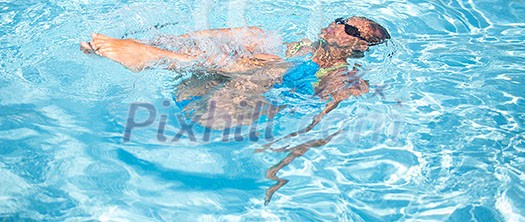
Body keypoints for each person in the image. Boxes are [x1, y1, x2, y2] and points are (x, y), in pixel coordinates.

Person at [81, 16, 390, 204]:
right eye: (340, 19)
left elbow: (319, 128)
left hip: (223, 114)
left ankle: (146, 55)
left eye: (348, 28)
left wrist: (278, 166)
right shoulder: (301, 46)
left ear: (359, 47)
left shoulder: (344, 79)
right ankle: (153, 45)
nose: (338, 25)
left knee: (267, 67)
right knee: (254, 38)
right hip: (195, 91)